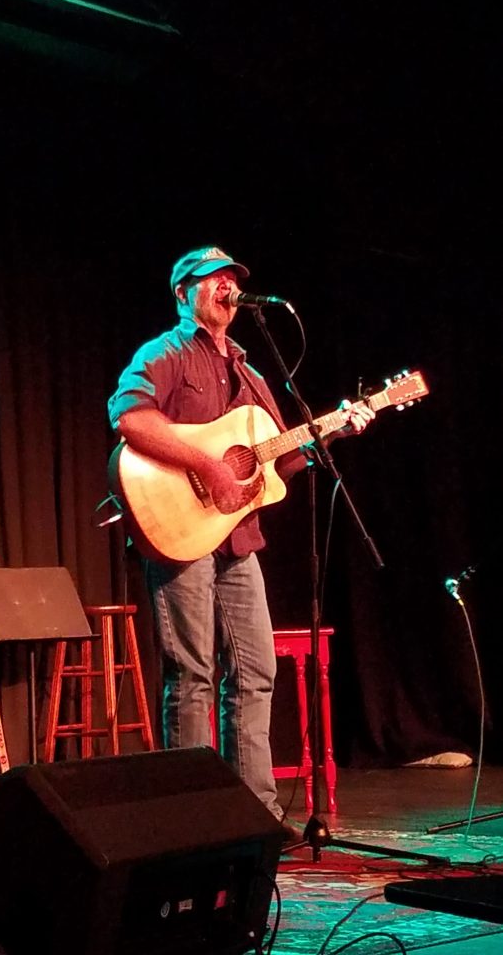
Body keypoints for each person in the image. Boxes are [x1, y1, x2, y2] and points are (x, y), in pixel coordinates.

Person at [108, 246, 374, 839]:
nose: (227, 287)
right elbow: (130, 419)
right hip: (182, 533)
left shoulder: (253, 374)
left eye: (232, 279)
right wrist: (209, 464)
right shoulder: (165, 354)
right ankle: (189, 820)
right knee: (193, 673)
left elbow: (273, 463)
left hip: (238, 540)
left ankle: (255, 815)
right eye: (213, 279)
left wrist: (332, 433)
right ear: (184, 293)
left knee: (256, 673)